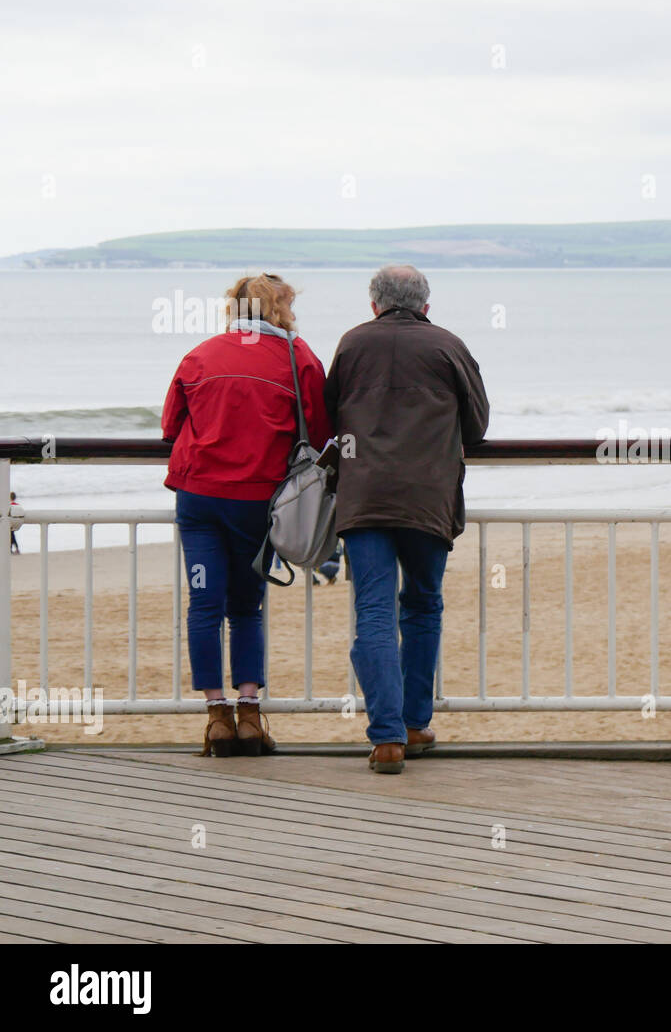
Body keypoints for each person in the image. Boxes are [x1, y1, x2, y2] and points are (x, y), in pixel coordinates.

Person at [325, 265, 489, 774]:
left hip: (365, 497)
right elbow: (478, 426)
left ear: (373, 304)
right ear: (426, 304)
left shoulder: (352, 345)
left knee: (373, 611)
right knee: (422, 606)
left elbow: (328, 414)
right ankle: (415, 724)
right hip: (427, 496)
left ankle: (387, 737)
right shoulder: (447, 346)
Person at [162, 274, 331, 757]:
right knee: (246, 608)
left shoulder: (201, 354)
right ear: (279, 308)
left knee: (204, 605)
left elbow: (170, 424)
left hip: (197, 495)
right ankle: (250, 712)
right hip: (256, 499)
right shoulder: (299, 359)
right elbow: (319, 433)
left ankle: (216, 716)